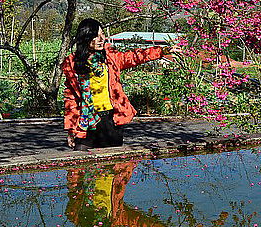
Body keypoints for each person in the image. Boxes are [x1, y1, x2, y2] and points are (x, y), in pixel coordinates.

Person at [61, 18, 178, 151]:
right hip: (86, 120)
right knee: (81, 166)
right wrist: (70, 128)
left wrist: (162, 51)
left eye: (102, 34)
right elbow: (71, 99)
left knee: (113, 167)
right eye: (96, 36)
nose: (101, 39)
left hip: (111, 119)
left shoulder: (110, 57)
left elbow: (134, 57)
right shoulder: (73, 63)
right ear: (86, 37)